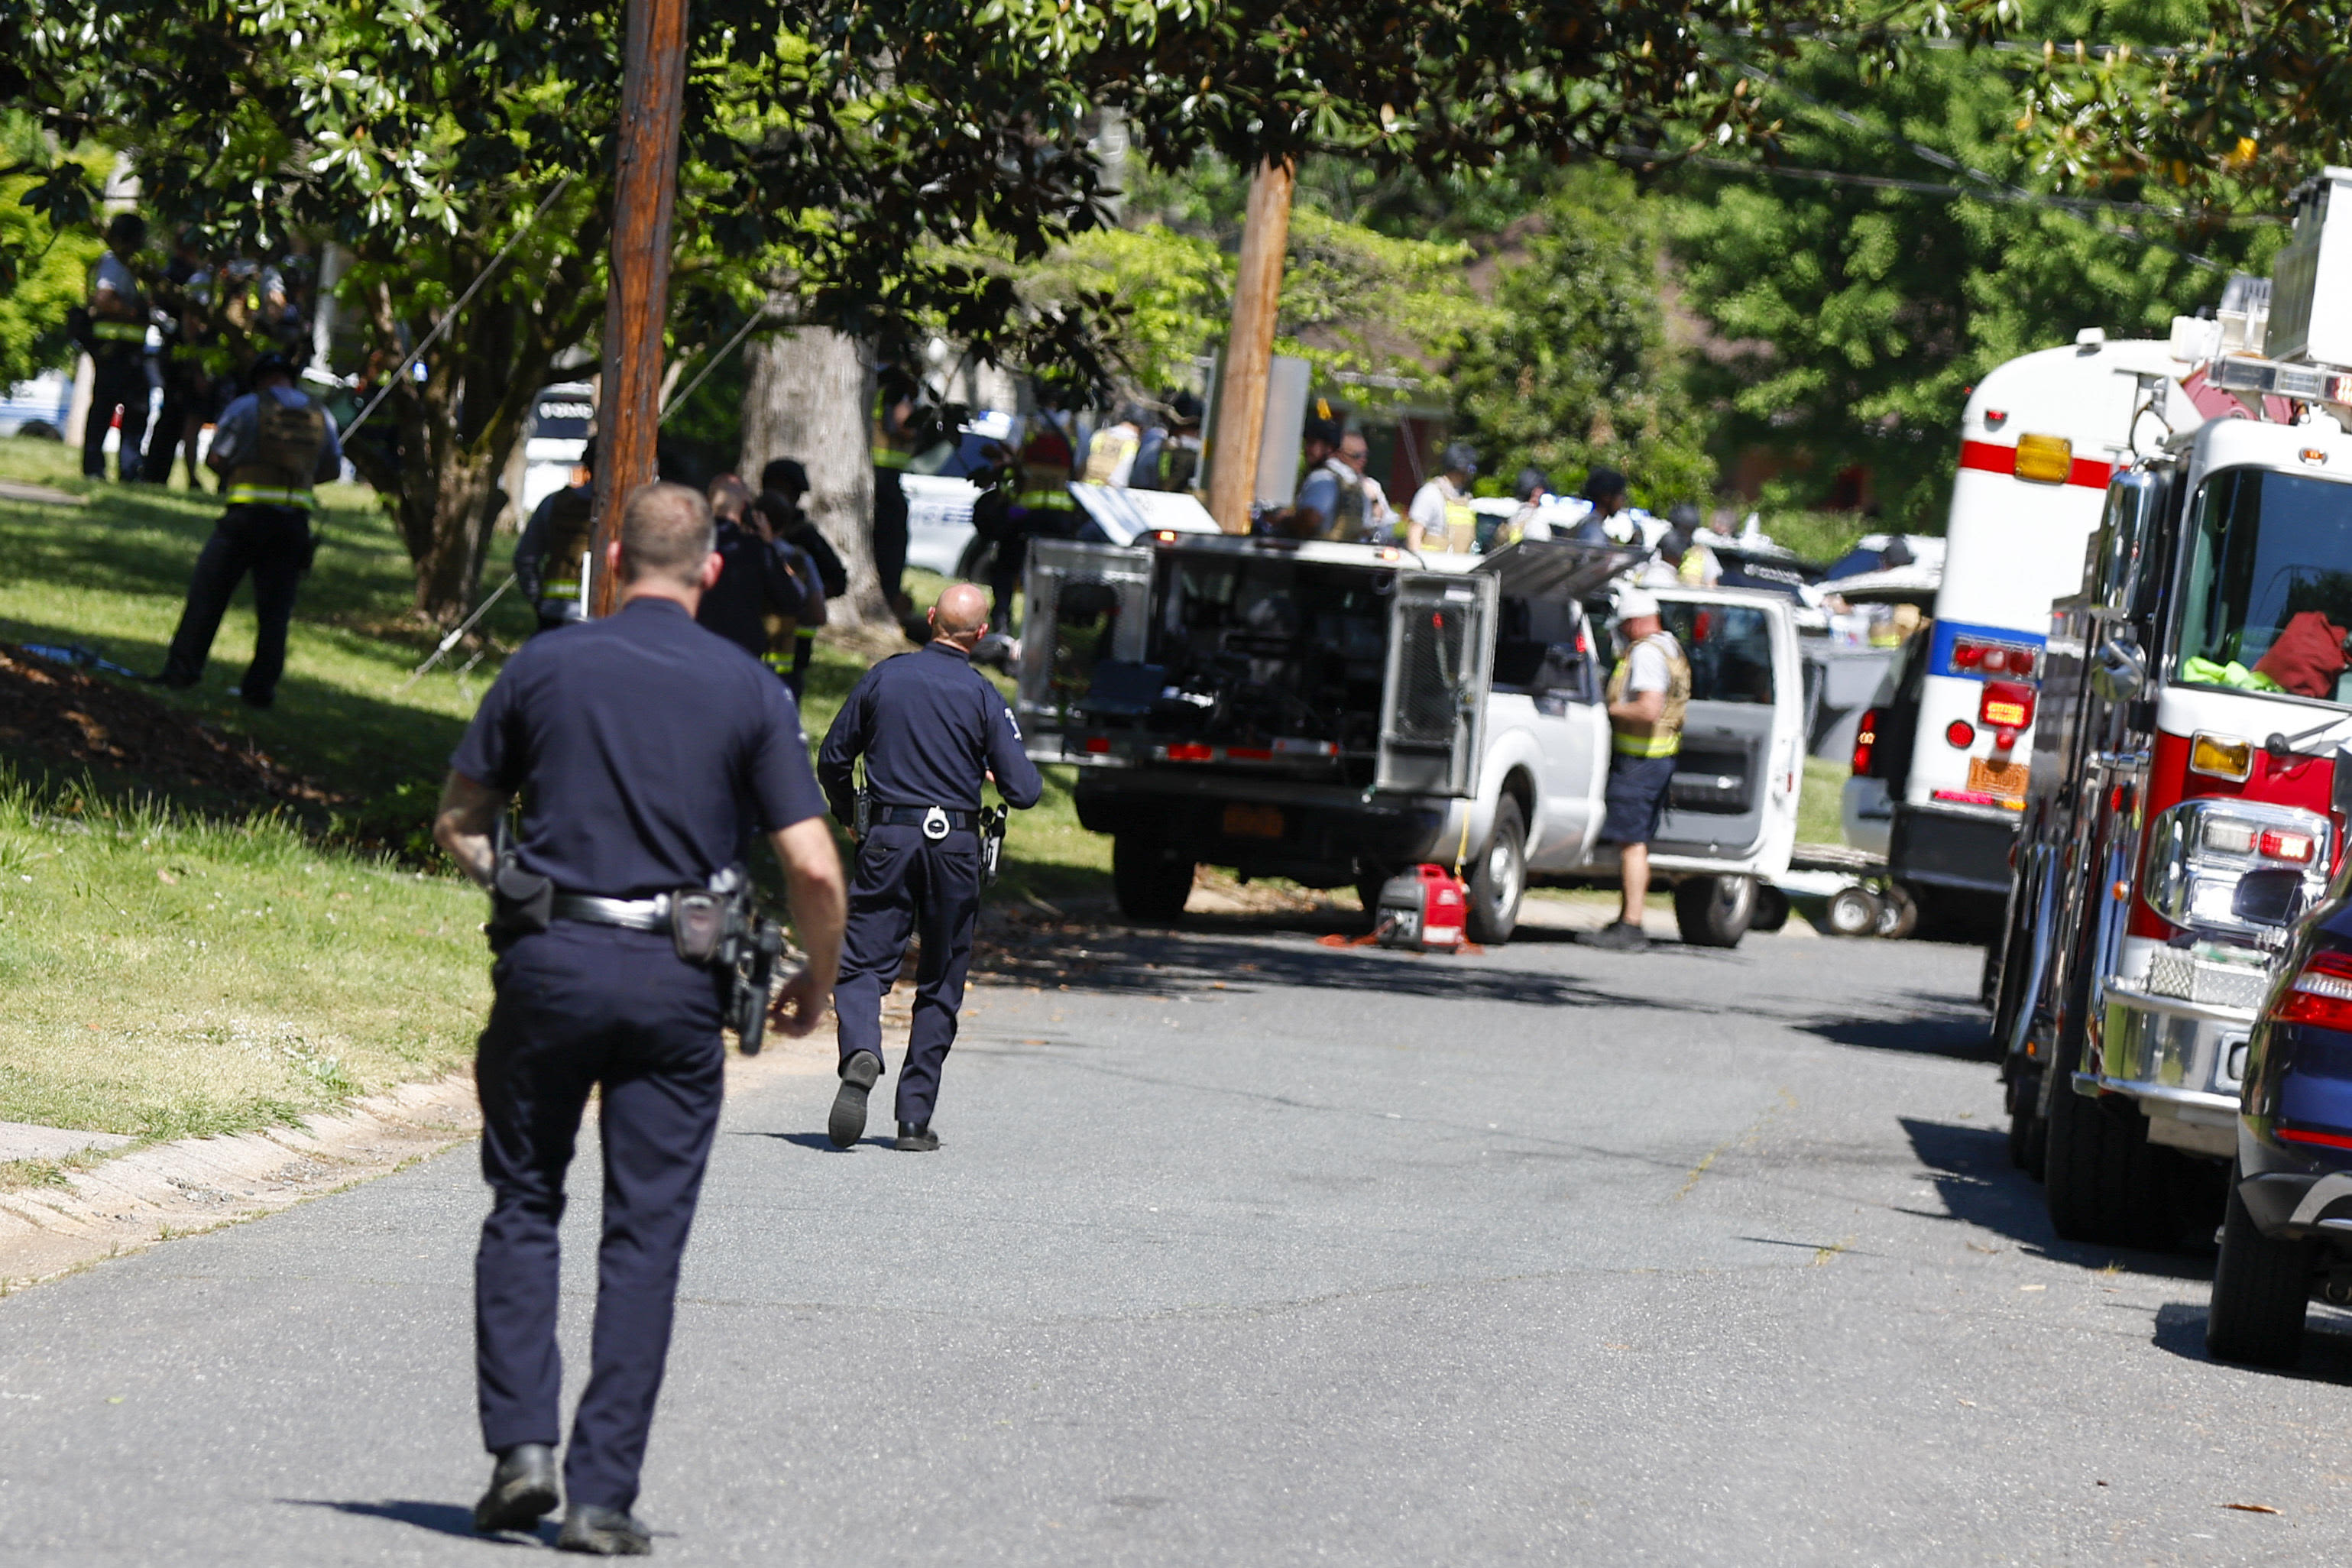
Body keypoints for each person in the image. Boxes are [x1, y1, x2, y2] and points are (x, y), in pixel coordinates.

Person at [431, 481, 847, 1554]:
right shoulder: (750, 690)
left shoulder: (544, 664)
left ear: (613, 559)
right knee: (643, 1238)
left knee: (524, 1202)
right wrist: (819, 979)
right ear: (711, 570)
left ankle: (521, 1452)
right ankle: (601, 1497)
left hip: (552, 964)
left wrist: (516, 889)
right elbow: (811, 863)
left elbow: (459, 821)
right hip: (677, 979)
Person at [818, 583, 1044, 1152]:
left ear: (928, 619)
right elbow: (1025, 790)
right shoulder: (984, 695)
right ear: (982, 634)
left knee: (864, 965)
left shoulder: (883, 678)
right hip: (955, 848)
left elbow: (833, 758)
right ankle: (914, 1120)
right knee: (941, 976)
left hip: (888, 837)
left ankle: (863, 1050)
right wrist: (988, 764)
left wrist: (851, 815)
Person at [153, 352, 341, 707]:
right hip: (292, 525)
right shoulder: (321, 415)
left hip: (245, 520)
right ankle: (260, 692)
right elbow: (330, 468)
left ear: (259, 379)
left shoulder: (245, 407)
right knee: (275, 614)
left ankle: (182, 672)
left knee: (208, 596)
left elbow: (217, 458)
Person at [1587, 587, 1690, 953]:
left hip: (1640, 762)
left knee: (1632, 845)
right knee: (1636, 842)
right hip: (1658, 759)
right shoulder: (1669, 647)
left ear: (1634, 622)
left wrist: (1606, 709)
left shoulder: (1646, 653)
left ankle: (1631, 924)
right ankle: (1627, 919)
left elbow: (1648, 709)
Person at [698, 474, 825, 691]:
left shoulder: (687, 544)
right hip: (740, 664)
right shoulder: (758, 551)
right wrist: (768, 545)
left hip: (692, 655)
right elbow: (792, 599)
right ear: (747, 509)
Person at [81, 214, 152, 484]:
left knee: (134, 410)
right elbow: (103, 299)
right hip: (115, 349)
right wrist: (134, 311)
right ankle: (96, 469)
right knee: (106, 409)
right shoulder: (115, 263)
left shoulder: (133, 265)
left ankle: (128, 470)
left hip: (129, 350)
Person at [515, 446, 599, 634]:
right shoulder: (631, 510)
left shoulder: (553, 503)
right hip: (608, 617)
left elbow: (525, 558)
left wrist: (537, 599)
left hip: (554, 614)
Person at [870, 364, 922, 615]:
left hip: (876, 476)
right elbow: (904, 426)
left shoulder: (875, 392)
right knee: (893, 543)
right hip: (885, 478)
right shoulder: (896, 394)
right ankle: (889, 596)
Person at [1293, 417, 1367, 542]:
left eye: (1312, 443)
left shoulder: (1322, 478)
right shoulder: (1353, 480)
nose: (1307, 450)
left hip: (1318, 553)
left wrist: (1283, 520)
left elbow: (1310, 520)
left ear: (1329, 448)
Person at [1407, 442, 1479, 553]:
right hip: (1432, 566)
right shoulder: (1430, 493)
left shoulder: (1464, 498)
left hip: (1460, 567)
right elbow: (1414, 533)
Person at [1083, 405, 1144, 486]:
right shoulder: (1132, 444)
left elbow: (1083, 459)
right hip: (1109, 492)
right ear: (1140, 427)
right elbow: (1121, 477)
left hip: (1084, 488)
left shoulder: (1100, 434)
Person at [1569, 468, 1631, 546]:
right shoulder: (1593, 529)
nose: (1623, 500)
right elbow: (1594, 555)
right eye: (1621, 495)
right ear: (1606, 496)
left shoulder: (1588, 522)